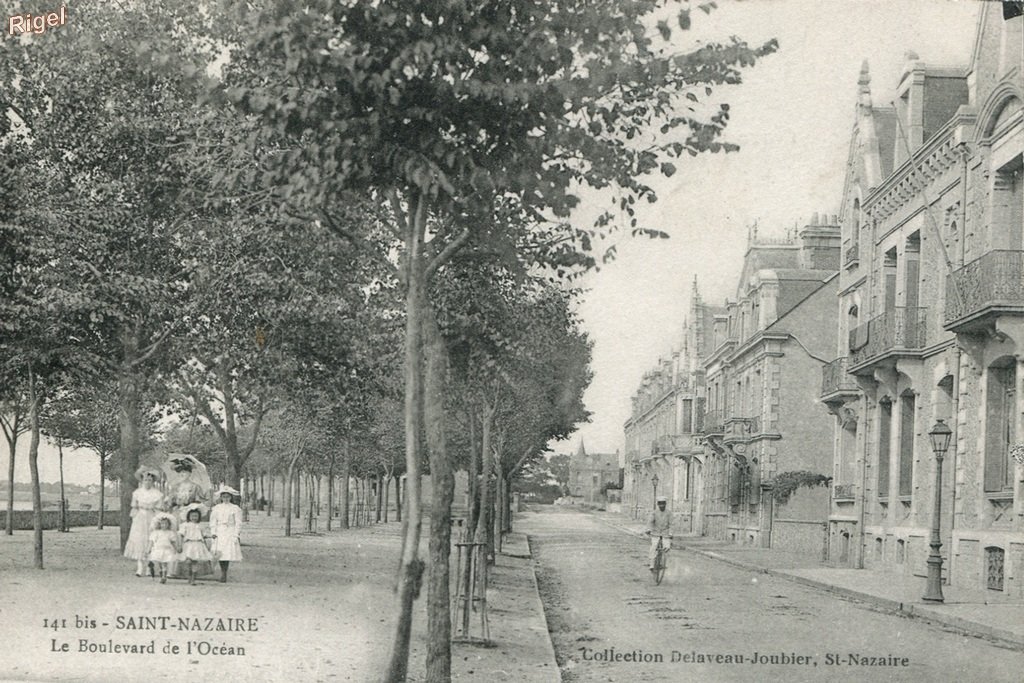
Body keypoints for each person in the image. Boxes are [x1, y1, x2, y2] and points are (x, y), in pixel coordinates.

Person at [123, 467, 166, 577]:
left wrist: (154, 510)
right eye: (145, 480)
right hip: (140, 517)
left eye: (150, 480)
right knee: (139, 540)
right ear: (142, 481)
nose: (147, 482)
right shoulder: (137, 493)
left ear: (153, 482)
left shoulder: (157, 494)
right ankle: (139, 567)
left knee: (150, 539)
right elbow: (134, 506)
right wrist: (138, 509)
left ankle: (149, 566)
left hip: (151, 516)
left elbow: (159, 508)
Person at [209, 484, 243, 583]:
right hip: (219, 531)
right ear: (221, 497)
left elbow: (238, 523)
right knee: (219, 552)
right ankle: (222, 571)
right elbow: (213, 521)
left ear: (231, 497)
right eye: (224, 497)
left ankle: (224, 573)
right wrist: (213, 532)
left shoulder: (235, 508)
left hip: (229, 531)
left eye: (228, 497)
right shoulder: (217, 508)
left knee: (227, 553)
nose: (226, 498)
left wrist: (236, 535)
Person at [178, 504, 213, 585]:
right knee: (188, 561)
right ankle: (189, 575)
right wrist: (180, 545)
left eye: (196, 516)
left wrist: (210, 538)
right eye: (192, 516)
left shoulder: (200, 526)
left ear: (199, 517)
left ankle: (193, 578)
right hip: (188, 544)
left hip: (198, 544)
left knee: (195, 562)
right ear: (188, 516)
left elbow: (204, 535)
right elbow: (181, 535)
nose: (194, 518)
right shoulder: (185, 525)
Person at [147, 513, 180, 584]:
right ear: (159, 524)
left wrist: (176, 548)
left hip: (166, 549)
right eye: (162, 524)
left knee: (164, 563)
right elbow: (151, 541)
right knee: (160, 563)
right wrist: (149, 549)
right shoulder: (156, 532)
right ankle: (161, 573)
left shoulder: (170, 533)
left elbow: (173, 542)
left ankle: (164, 576)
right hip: (158, 549)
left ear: (168, 525)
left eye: (166, 524)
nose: (164, 525)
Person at [645, 495, 672, 571]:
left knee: (667, 547)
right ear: (658, 504)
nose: (662, 505)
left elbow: (672, 524)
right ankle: (652, 564)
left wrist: (671, 533)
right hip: (655, 533)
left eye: (663, 503)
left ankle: (664, 562)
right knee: (653, 547)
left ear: (665, 504)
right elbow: (650, 522)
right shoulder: (654, 512)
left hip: (665, 533)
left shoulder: (669, 513)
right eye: (660, 504)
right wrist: (648, 529)